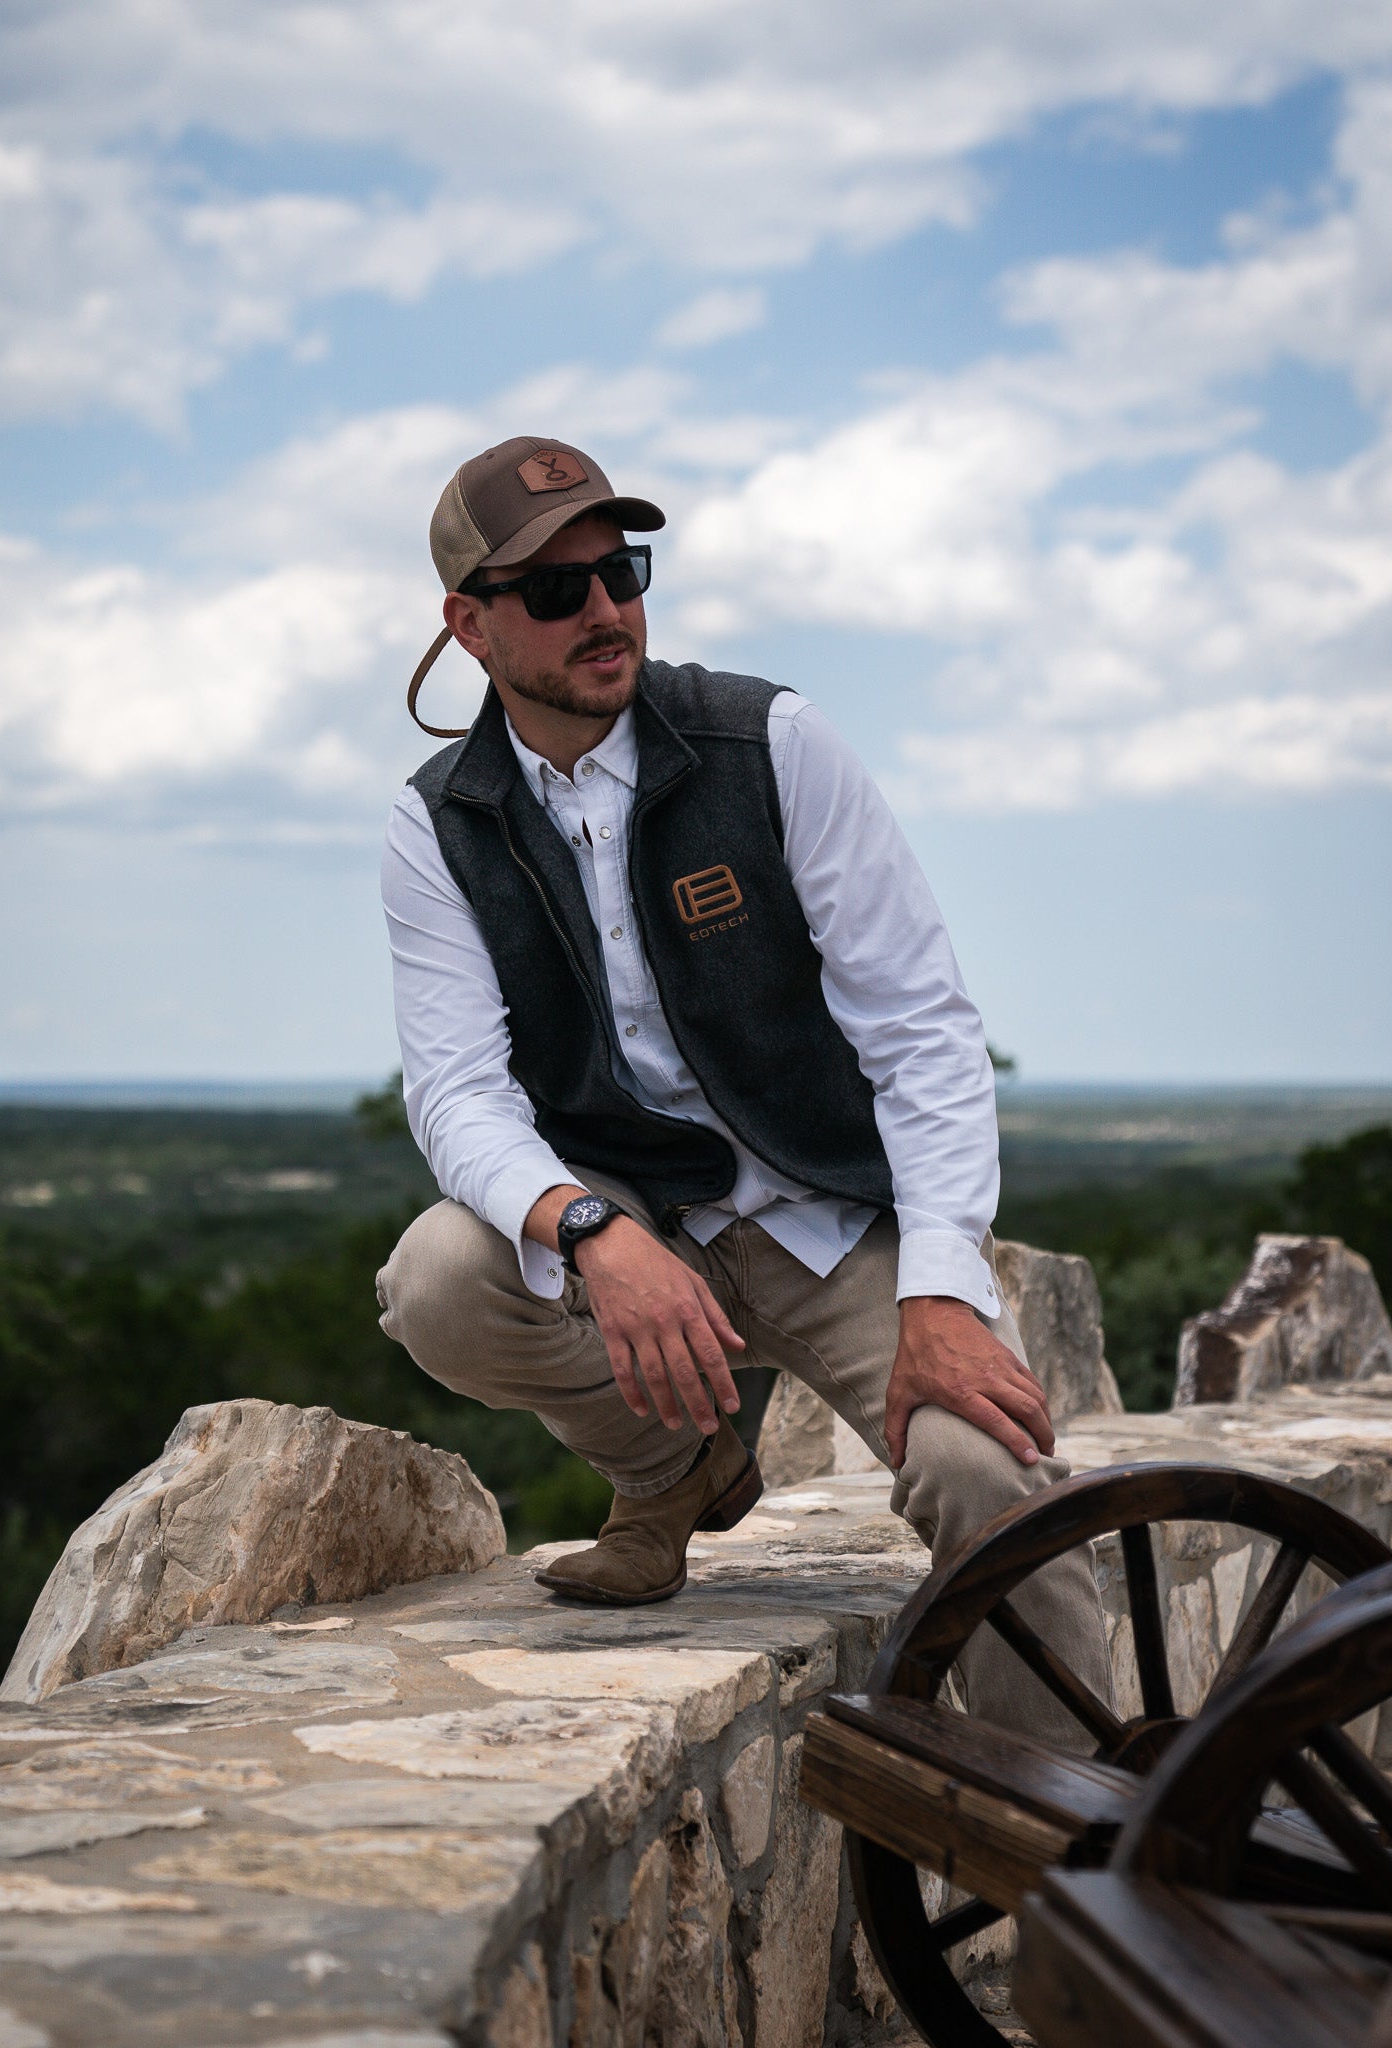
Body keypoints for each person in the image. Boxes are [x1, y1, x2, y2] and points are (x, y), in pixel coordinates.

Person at [376, 435, 1107, 1733]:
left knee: (978, 1474)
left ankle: (1061, 1851)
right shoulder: (438, 822)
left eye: (620, 569)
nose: (605, 611)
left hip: (828, 1219)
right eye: (555, 590)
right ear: (469, 625)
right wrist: (588, 1231)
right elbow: (455, 1093)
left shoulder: (769, 741)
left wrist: (942, 1287)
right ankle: (679, 1466)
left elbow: (921, 1030)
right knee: (437, 1280)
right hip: (642, 1226)